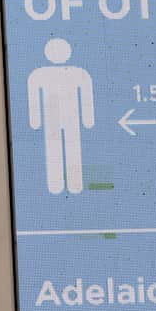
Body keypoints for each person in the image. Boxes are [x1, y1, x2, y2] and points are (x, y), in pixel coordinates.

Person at [28, 38, 95, 195]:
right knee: (55, 151)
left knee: (69, 149)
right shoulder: (39, 74)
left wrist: (88, 119)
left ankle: (71, 184)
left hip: (69, 117)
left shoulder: (78, 73)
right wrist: (35, 120)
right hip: (54, 117)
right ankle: (58, 185)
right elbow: (33, 97)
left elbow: (86, 96)